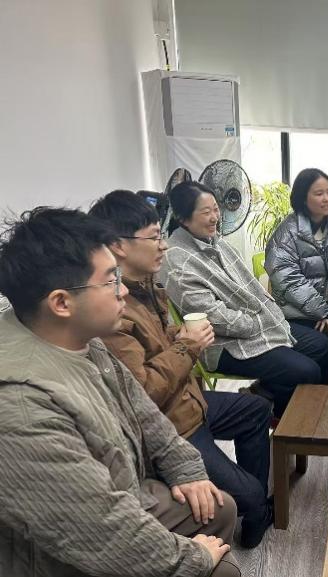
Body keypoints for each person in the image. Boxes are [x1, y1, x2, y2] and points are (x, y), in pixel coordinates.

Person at [0, 208, 239, 577]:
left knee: (218, 506)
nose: (124, 290)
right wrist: (194, 559)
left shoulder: (81, 337)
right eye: (111, 281)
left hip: (122, 489)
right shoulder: (21, 407)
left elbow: (143, 410)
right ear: (61, 303)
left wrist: (185, 468)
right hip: (63, 553)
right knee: (223, 569)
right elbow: (100, 529)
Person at [89, 190, 274, 548]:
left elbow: (155, 346)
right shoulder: (112, 310)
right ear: (119, 246)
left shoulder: (146, 286)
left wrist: (179, 336)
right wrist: (187, 345)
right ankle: (253, 505)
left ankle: (249, 497)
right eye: (155, 237)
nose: (164, 245)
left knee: (257, 409)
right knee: (252, 495)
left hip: (189, 401)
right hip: (173, 426)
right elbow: (142, 393)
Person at [160, 181, 328, 417]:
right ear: (183, 219)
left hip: (254, 322)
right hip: (222, 343)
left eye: (215, 209)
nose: (215, 217)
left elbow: (250, 287)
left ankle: (266, 393)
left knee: (321, 345)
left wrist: (265, 314)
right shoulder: (176, 259)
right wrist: (256, 321)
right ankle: (282, 420)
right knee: (306, 371)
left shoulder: (215, 240)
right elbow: (212, 316)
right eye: (206, 212)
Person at [265, 168, 328, 387]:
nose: (327, 198)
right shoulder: (287, 232)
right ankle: (319, 390)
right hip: (296, 309)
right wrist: (321, 311)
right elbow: (287, 279)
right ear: (303, 198)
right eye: (319, 193)